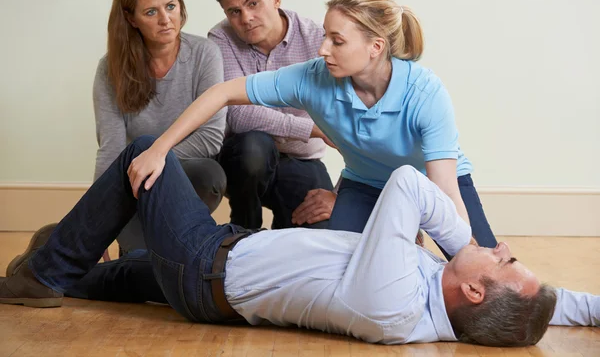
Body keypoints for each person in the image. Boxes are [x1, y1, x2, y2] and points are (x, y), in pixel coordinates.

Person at [3, 136, 596, 346]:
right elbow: (543, 304)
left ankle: (43, 270)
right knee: (124, 274)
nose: (500, 249)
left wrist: (461, 241)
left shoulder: (391, 304)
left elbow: (409, 184)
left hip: (205, 265)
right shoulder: (460, 302)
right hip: (224, 271)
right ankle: (61, 264)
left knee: (146, 152)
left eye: (502, 261)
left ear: (471, 288)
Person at [126, 0, 497, 256]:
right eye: (324, 36)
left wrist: (470, 257)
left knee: (480, 265)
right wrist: (159, 149)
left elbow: (445, 188)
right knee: (340, 264)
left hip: (434, 184)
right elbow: (221, 93)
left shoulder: (424, 91)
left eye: (337, 40)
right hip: (365, 185)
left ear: (376, 47)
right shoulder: (313, 77)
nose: (322, 49)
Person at [93, 0, 227, 255]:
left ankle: (174, 244)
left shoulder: (205, 53)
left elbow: (211, 137)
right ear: (131, 19)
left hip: (185, 171)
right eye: (151, 12)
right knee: (139, 267)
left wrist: (154, 158)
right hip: (133, 181)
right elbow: (111, 146)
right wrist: (98, 215)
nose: (166, 19)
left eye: (171, 6)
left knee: (209, 175)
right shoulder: (109, 68)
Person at [207, 0, 334, 230]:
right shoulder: (221, 38)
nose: (246, 18)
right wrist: (311, 128)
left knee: (320, 226)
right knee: (254, 146)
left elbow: (354, 118)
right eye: (234, 11)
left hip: (300, 159)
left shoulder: (317, 40)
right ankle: (244, 230)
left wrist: (343, 194)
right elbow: (238, 114)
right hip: (244, 160)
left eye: (253, 3)